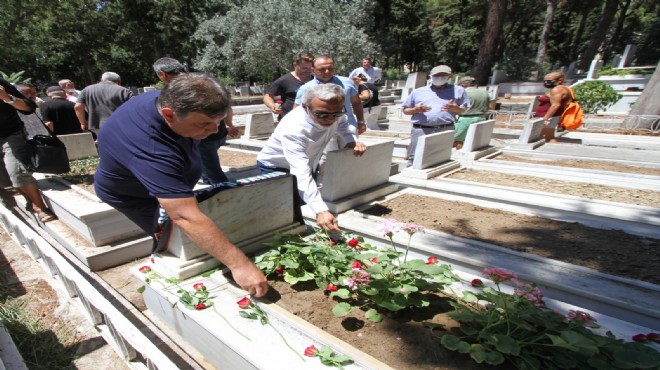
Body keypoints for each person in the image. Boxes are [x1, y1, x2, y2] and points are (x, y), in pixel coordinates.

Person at [94, 73, 268, 297]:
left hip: (161, 174)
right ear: (168, 115)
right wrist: (239, 265)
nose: (215, 130)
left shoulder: (171, 101)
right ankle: (168, 289)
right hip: (134, 194)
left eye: (218, 121)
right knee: (172, 239)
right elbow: (183, 215)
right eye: (205, 124)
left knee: (194, 231)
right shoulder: (152, 148)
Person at [257, 84, 367, 232]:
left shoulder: (335, 113)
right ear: (304, 106)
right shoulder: (294, 128)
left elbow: (343, 126)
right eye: (322, 115)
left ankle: (302, 230)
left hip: (310, 161)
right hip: (276, 165)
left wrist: (350, 140)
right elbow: (300, 172)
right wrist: (321, 210)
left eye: (336, 113)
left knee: (303, 202)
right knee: (282, 208)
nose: (330, 119)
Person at [152, 57, 238, 184]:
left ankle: (229, 197)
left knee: (214, 173)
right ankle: (211, 191)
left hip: (201, 138)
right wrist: (229, 125)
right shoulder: (204, 81)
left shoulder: (176, 90)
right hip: (218, 134)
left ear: (162, 74)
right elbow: (227, 107)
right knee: (206, 169)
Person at [0, 77, 56, 222]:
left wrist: (6, 98)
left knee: (17, 171)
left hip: (10, 134)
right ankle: (30, 201)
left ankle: (40, 207)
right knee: (5, 179)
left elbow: (29, 107)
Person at [401, 65, 469, 166]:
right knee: (415, 157)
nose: (440, 78)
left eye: (443, 76)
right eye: (437, 75)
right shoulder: (418, 92)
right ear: (431, 76)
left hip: (445, 128)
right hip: (421, 129)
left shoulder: (458, 91)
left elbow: (463, 110)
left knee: (440, 157)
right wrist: (416, 109)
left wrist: (456, 109)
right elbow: (405, 110)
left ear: (449, 76)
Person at [294, 55, 365, 135]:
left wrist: (360, 121)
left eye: (330, 68)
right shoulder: (306, 88)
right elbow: (296, 111)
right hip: (320, 131)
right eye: (322, 69)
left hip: (347, 128)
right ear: (312, 70)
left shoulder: (347, 82)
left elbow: (356, 103)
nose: (327, 71)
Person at [263, 52, 314, 121]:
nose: (308, 71)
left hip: (311, 120)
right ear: (295, 65)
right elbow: (268, 96)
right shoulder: (284, 80)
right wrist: (273, 106)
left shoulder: (316, 80)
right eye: (304, 68)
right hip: (289, 120)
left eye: (310, 68)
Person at [535, 71, 572, 143]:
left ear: (560, 80)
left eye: (549, 81)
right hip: (553, 116)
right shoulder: (564, 89)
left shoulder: (557, 90)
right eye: (545, 81)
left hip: (549, 116)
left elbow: (555, 105)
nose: (546, 83)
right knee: (547, 136)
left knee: (547, 137)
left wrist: (545, 119)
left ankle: (551, 150)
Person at [453, 76, 489, 149]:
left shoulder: (465, 93)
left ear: (462, 85)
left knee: (458, 140)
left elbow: (456, 107)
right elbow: (489, 106)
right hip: (481, 118)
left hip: (465, 119)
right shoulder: (484, 92)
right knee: (473, 141)